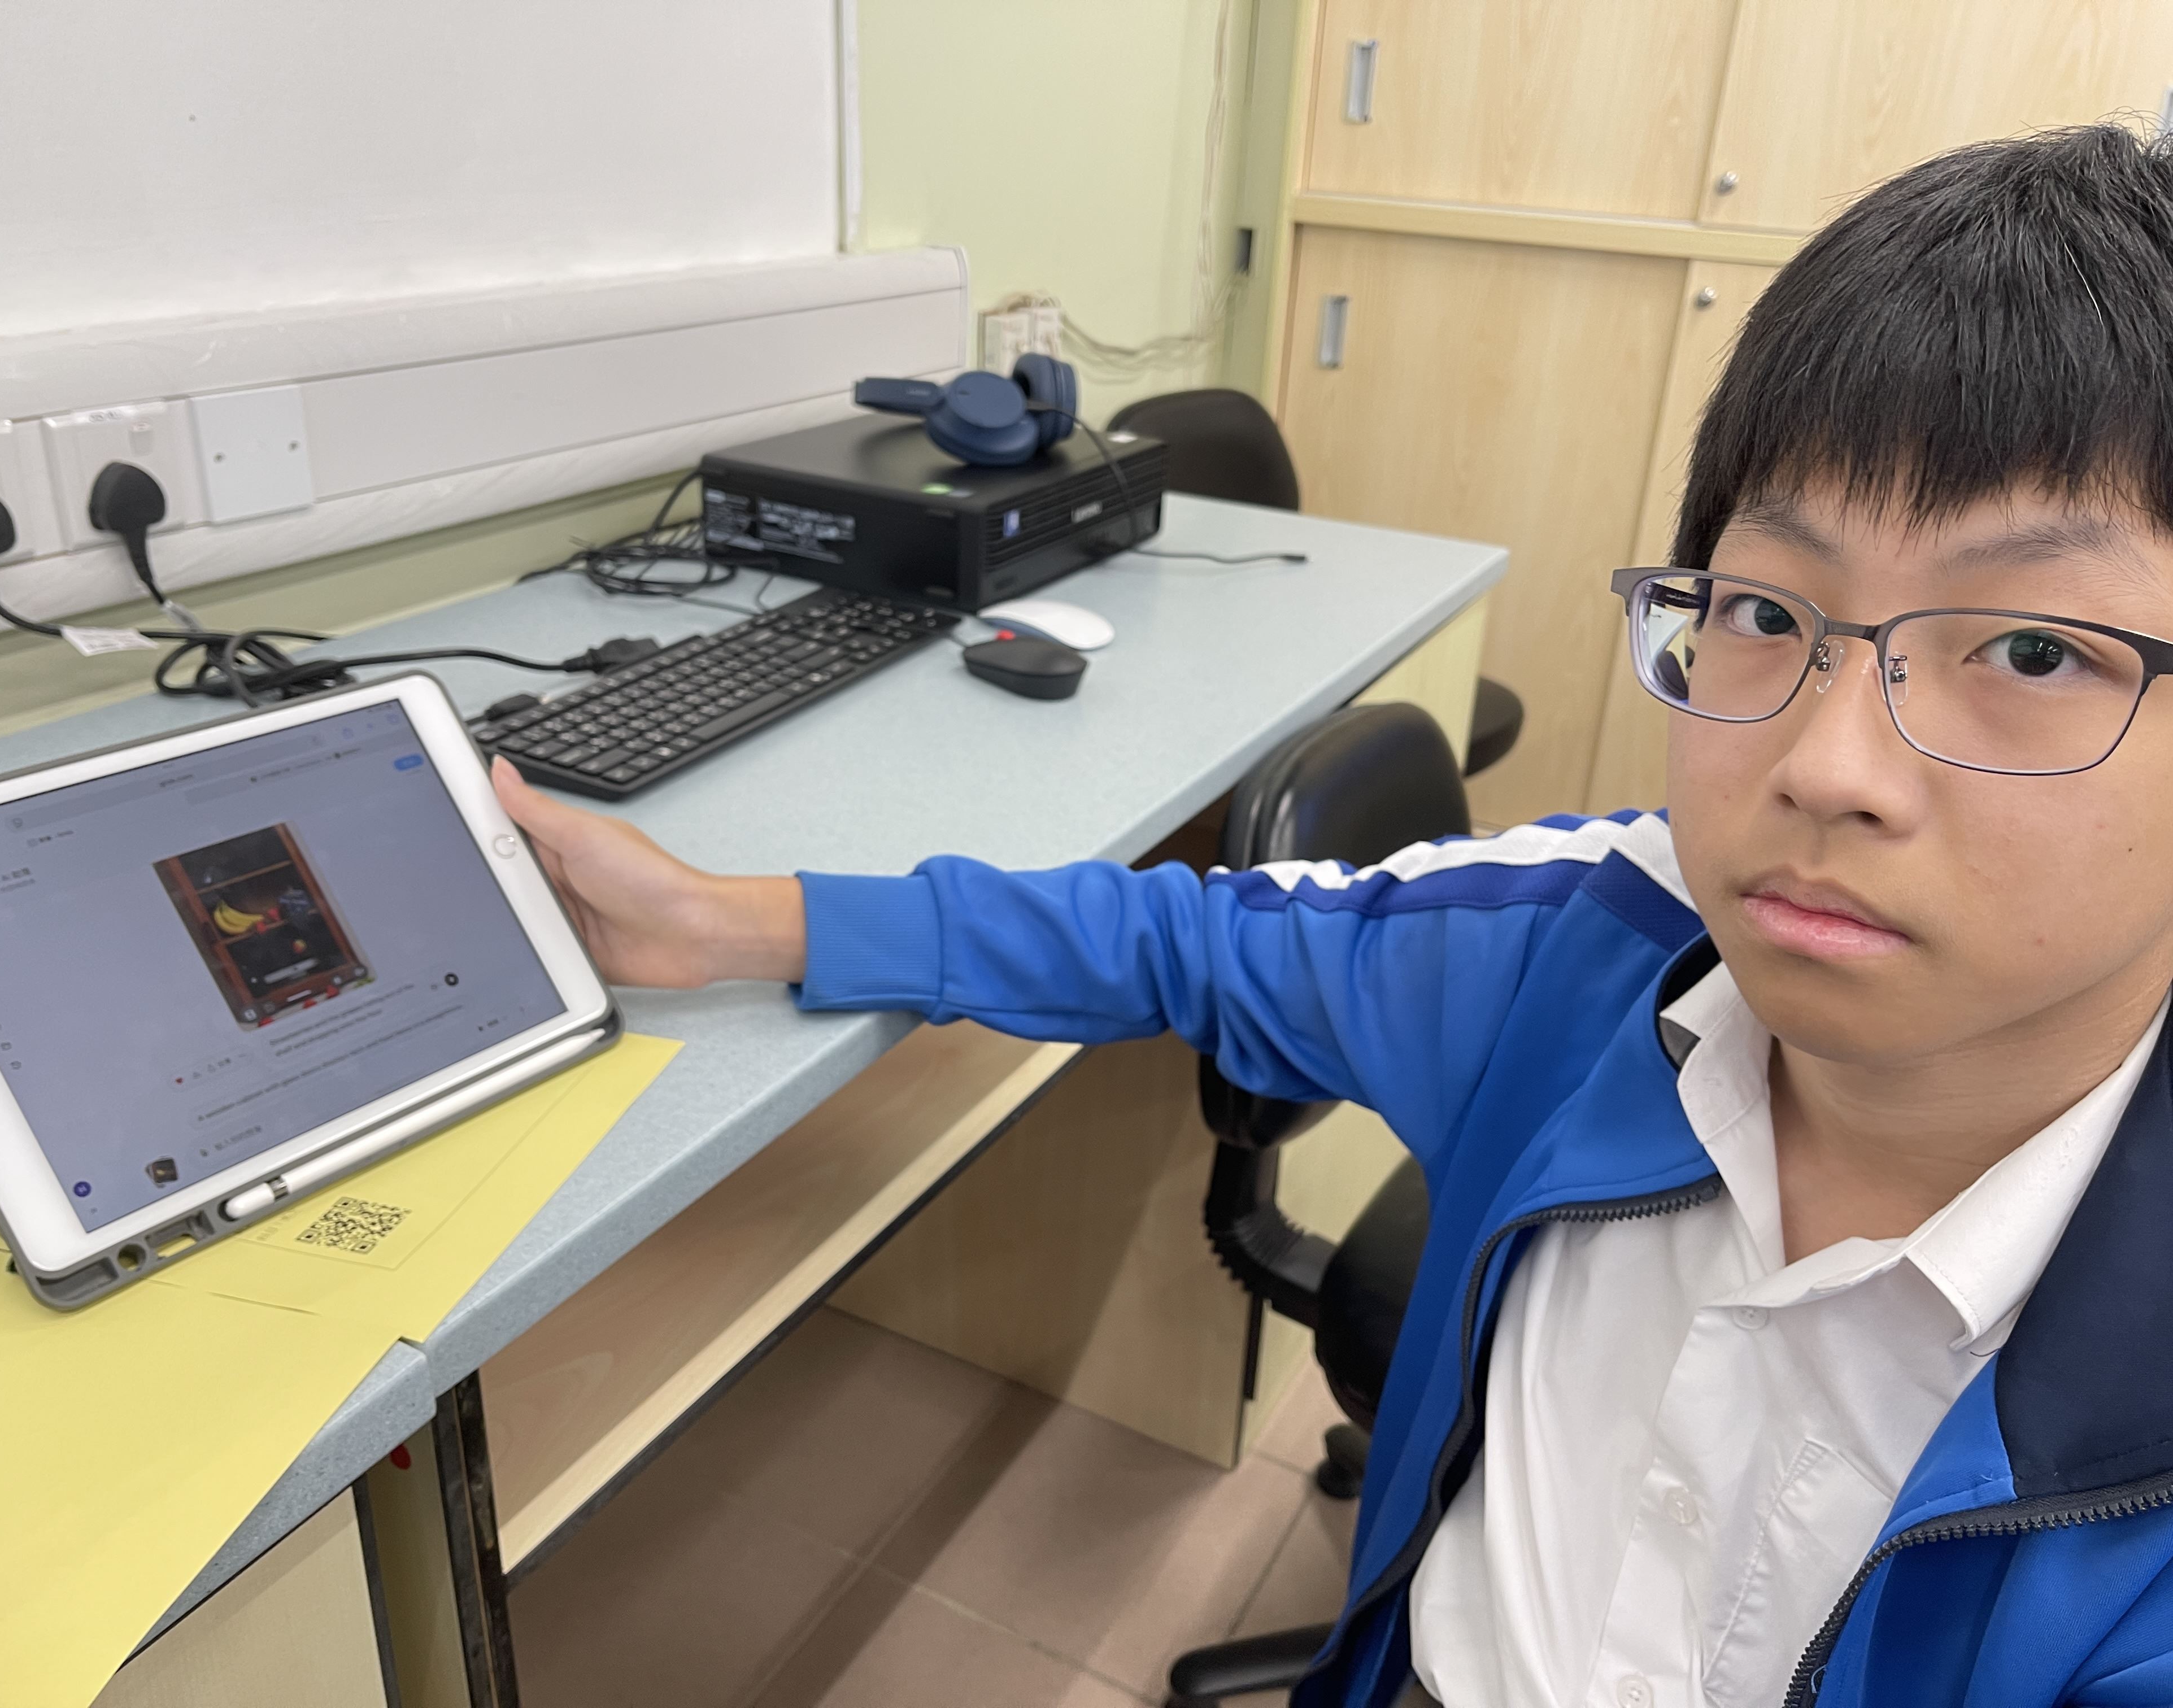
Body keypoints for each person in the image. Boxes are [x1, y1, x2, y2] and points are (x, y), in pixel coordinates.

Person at [491, 124, 2173, 1708]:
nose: (1825, 767)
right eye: (1762, 611)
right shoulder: (1588, 943)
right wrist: (734, 923)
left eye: (2034, 651)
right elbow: (1178, 940)